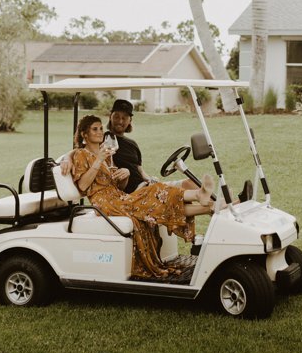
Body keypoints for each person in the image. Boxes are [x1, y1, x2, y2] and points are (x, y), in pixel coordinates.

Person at [61, 115, 220, 280]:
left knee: (155, 199)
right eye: (95, 129)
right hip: (103, 203)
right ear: (84, 134)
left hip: (118, 197)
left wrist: (125, 176)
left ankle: (206, 205)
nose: (100, 132)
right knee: (153, 191)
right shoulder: (81, 155)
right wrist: (97, 160)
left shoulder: (106, 154)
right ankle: (199, 196)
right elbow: (82, 186)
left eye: (101, 128)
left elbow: (118, 186)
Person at [106, 98, 147, 194]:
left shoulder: (132, 144)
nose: (120, 121)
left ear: (130, 120)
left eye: (124, 118)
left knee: (186, 185)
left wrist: (150, 179)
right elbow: (83, 150)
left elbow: (140, 170)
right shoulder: (105, 139)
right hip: (131, 194)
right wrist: (67, 159)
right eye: (116, 117)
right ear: (110, 117)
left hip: (144, 187)